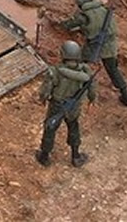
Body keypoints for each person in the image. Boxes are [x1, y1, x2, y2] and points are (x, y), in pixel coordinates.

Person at [60, 0, 127, 106]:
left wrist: (61, 23)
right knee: (113, 70)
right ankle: (126, 96)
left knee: (79, 62)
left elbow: (67, 25)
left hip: (95, 44)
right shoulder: (103, 8)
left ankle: (72, 85)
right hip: (111, 44)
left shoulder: (83, 16)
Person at [36, 40, 96, 168]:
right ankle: (76, 156)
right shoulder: (85, 71)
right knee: (73, 127)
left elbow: (46, 89)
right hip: (74, 106)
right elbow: (91, 88)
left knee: (50, 128)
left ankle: (44, 156)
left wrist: (43, 99)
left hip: (57, 105)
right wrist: (92, 100)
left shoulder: (55, 71)